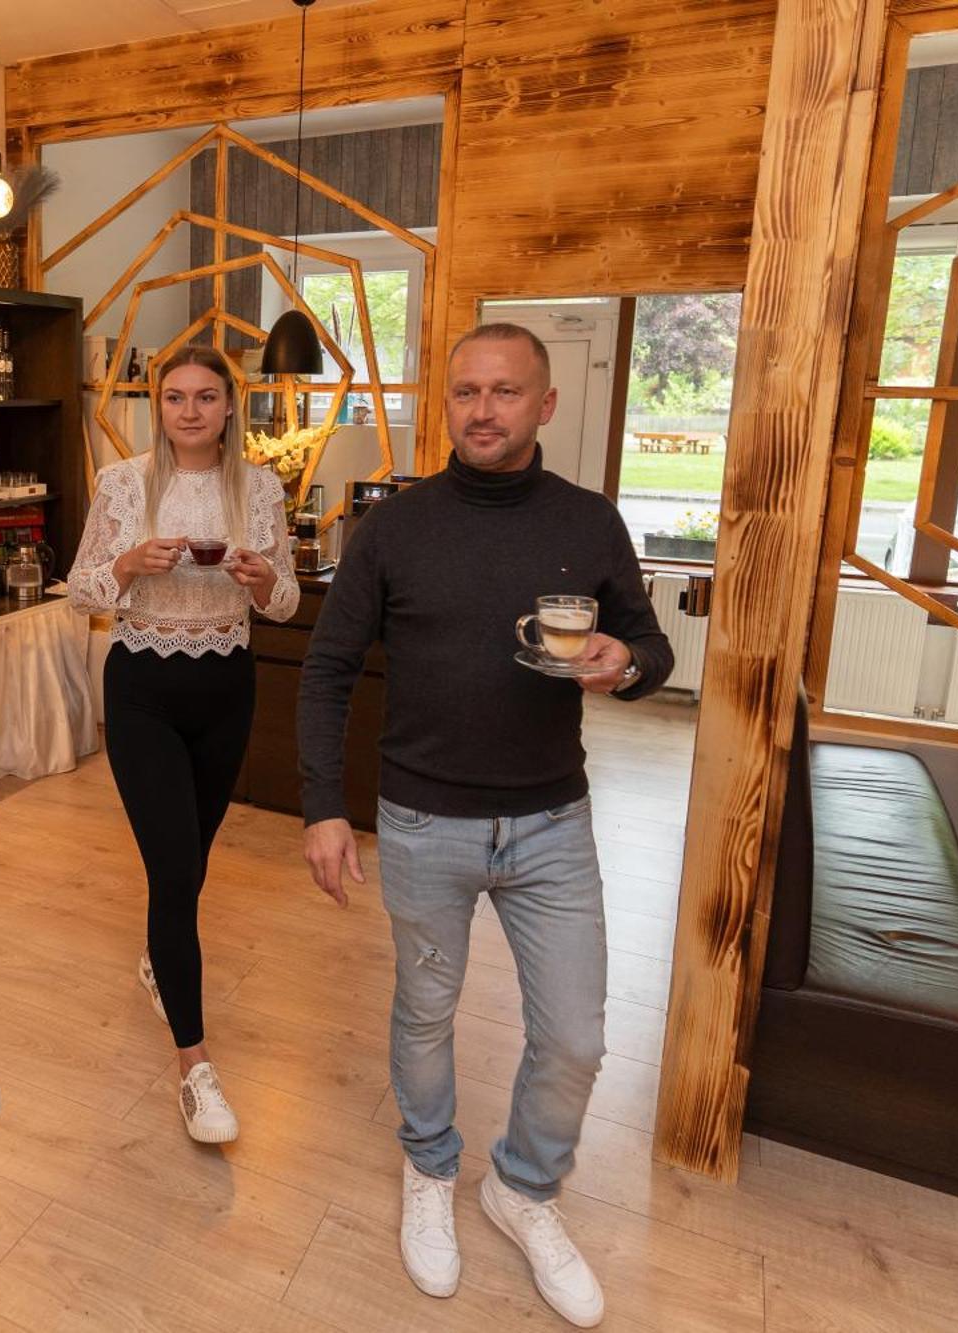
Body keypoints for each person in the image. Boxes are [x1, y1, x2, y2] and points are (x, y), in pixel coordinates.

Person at [296, 323, 671, 1328]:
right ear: (445, 404)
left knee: (576, 1036)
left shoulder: (588, 521)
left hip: (551, 820)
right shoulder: (395, 526)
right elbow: (329, 667)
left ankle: (520, 1186)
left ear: (543, 405)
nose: (481, 409)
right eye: (464, 390)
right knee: (424, 1013)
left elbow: (648, 644)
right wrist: (322, 807)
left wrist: (620, 664)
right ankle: (428, 1169)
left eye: (504, 392)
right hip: (421, 819)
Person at [68, 344, 300, 1143]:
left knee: (191, 861)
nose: (191, 410)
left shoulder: (262, 488)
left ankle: (157, 958)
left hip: (228, 688)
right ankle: (195, 1068)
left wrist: (262, 580)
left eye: (206, 397)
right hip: (142, 689)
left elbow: (286, 601)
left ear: (230, 407)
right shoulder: (121, 483)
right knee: (173, 872)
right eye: (175, 397)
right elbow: (80, 591)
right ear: (157, 406)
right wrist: (128, 563)